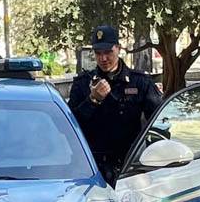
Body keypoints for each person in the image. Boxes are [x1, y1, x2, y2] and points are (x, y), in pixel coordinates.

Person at [68, 25, 163, 184]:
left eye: (108, 52)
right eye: (98, 53)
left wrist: (156, 161)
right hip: (92, 169)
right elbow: (71, 127)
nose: (103, 59)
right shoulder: (83, 84)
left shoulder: (139, 82)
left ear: (118, 49)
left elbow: (159, 122)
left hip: (130, 169)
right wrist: (92, 100)